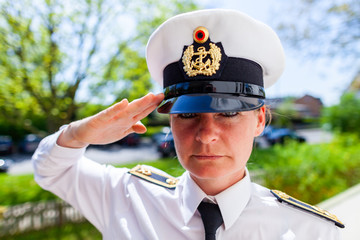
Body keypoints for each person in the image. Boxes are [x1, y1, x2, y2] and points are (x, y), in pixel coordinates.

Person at [32, 9, 344, 239]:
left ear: (260, 119)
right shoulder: (126, 197)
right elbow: (50, 169)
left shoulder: (313, 232)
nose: (207, 134)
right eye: (188, 114)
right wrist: (78, 134)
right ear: (170, 119)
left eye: (229, 113)